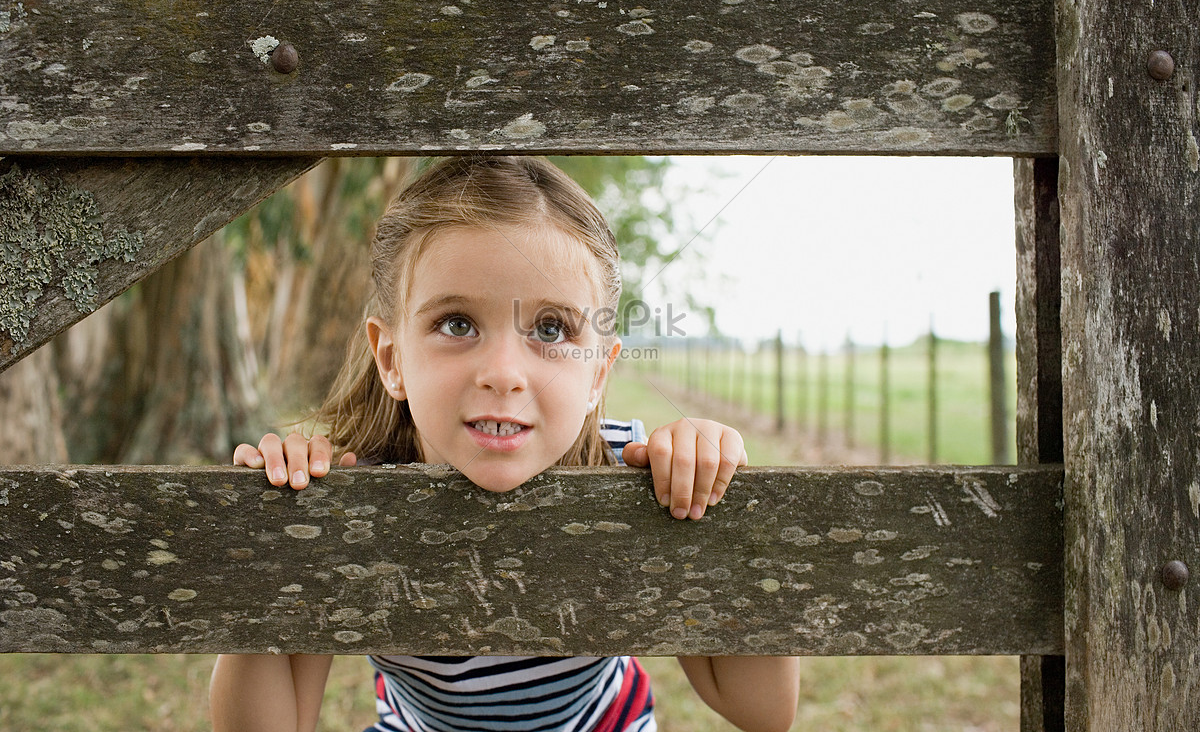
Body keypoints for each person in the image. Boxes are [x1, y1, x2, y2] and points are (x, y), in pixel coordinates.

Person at [209, 156, 799, 732]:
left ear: (597, 374)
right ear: (392, 361)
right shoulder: (349, 486)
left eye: (550, 329)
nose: (503, 373)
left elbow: (760, 712)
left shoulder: (634, 474)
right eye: (457, 324)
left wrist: (711, 493)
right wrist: (272, 536)